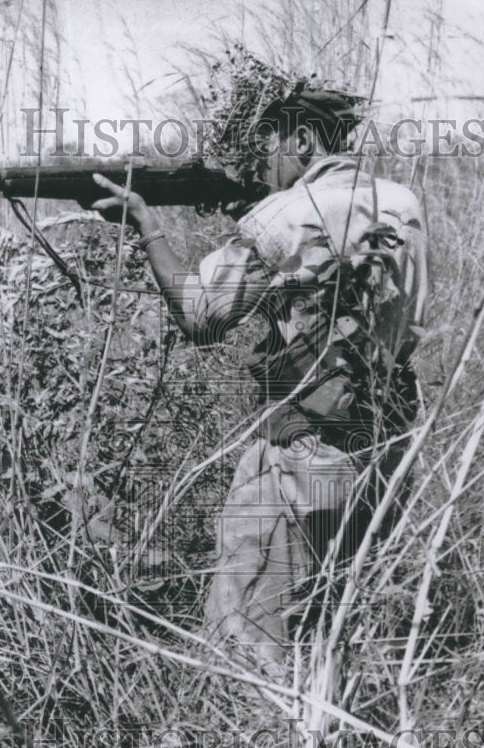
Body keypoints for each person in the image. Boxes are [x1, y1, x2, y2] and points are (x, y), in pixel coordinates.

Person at [92, 78, 428, 675]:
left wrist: (148, 226)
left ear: (300, 139)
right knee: (341, 623)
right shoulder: (402, 202)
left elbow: (201, 318)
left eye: (267, 141)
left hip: (305, 449)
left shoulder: (287, 212)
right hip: (389, 441)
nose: (261, 160)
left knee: (246, 638)